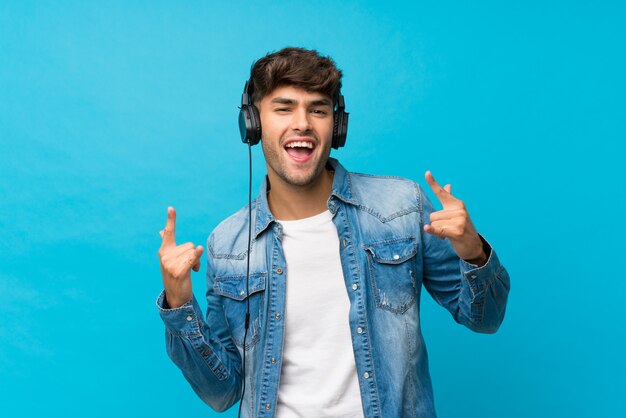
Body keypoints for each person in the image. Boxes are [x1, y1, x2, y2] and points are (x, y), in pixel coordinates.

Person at [156, 47, 510, 418]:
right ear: (253, 124)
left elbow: (485, 320)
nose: (303, 123)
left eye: (318, 109)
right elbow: (221, 392)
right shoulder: (228, 246)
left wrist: (473, 252)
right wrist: (180, 305)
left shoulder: (401, 208)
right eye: (284, 108)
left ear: (336, 126)